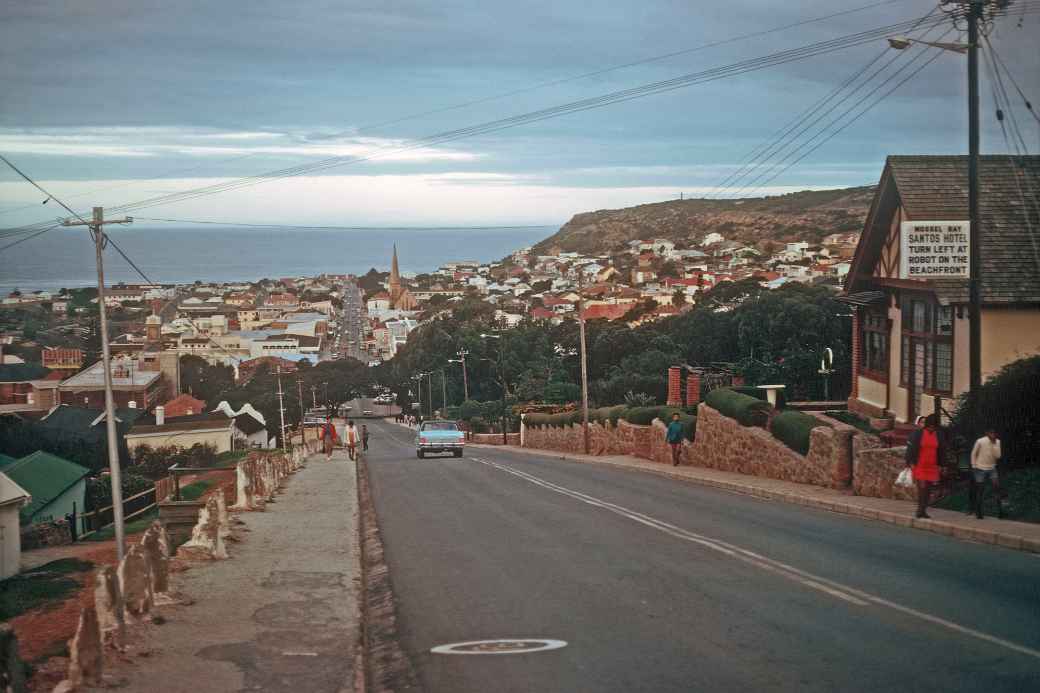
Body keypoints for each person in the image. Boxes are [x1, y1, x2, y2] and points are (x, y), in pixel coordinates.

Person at [904, 414, 946, 519]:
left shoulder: (939, 435)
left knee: (928, 490)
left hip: (932, 466)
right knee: (922, 488)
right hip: (920, 466)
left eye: (934, 427)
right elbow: (910, 449)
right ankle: (920, 510)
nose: (932, 428)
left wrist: (942, 465)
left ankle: (923, 510)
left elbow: (941, 451)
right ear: (927, 425)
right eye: (930, 426)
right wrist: (910, 463)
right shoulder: (918, 434)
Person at [970, 427, 1003, 519]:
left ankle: (1000, 512)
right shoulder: (980, 441)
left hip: (992, 468)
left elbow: (998, 456)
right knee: (980, 490)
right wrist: (973, 466)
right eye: (991, 433)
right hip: (980, 468)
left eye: (994, 433)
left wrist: (994, 445)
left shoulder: (997, 442)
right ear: (987, 433)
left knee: (997, 488)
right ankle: (979, 512)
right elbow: (973, 453)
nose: (993, 435)